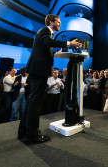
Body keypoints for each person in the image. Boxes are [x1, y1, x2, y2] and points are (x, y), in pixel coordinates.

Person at [18, 14, 81, 143]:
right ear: (51, 22)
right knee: (35, 103)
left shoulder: (46, 34)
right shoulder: (45, 31)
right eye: (58, 22)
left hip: (37, 71)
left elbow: (44, 48)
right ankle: (32, 134)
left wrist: (54, 53)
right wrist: (69, 43)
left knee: (32, 102)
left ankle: (24, 132)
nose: (60, 24)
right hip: (38, 72)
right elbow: (47, 42)